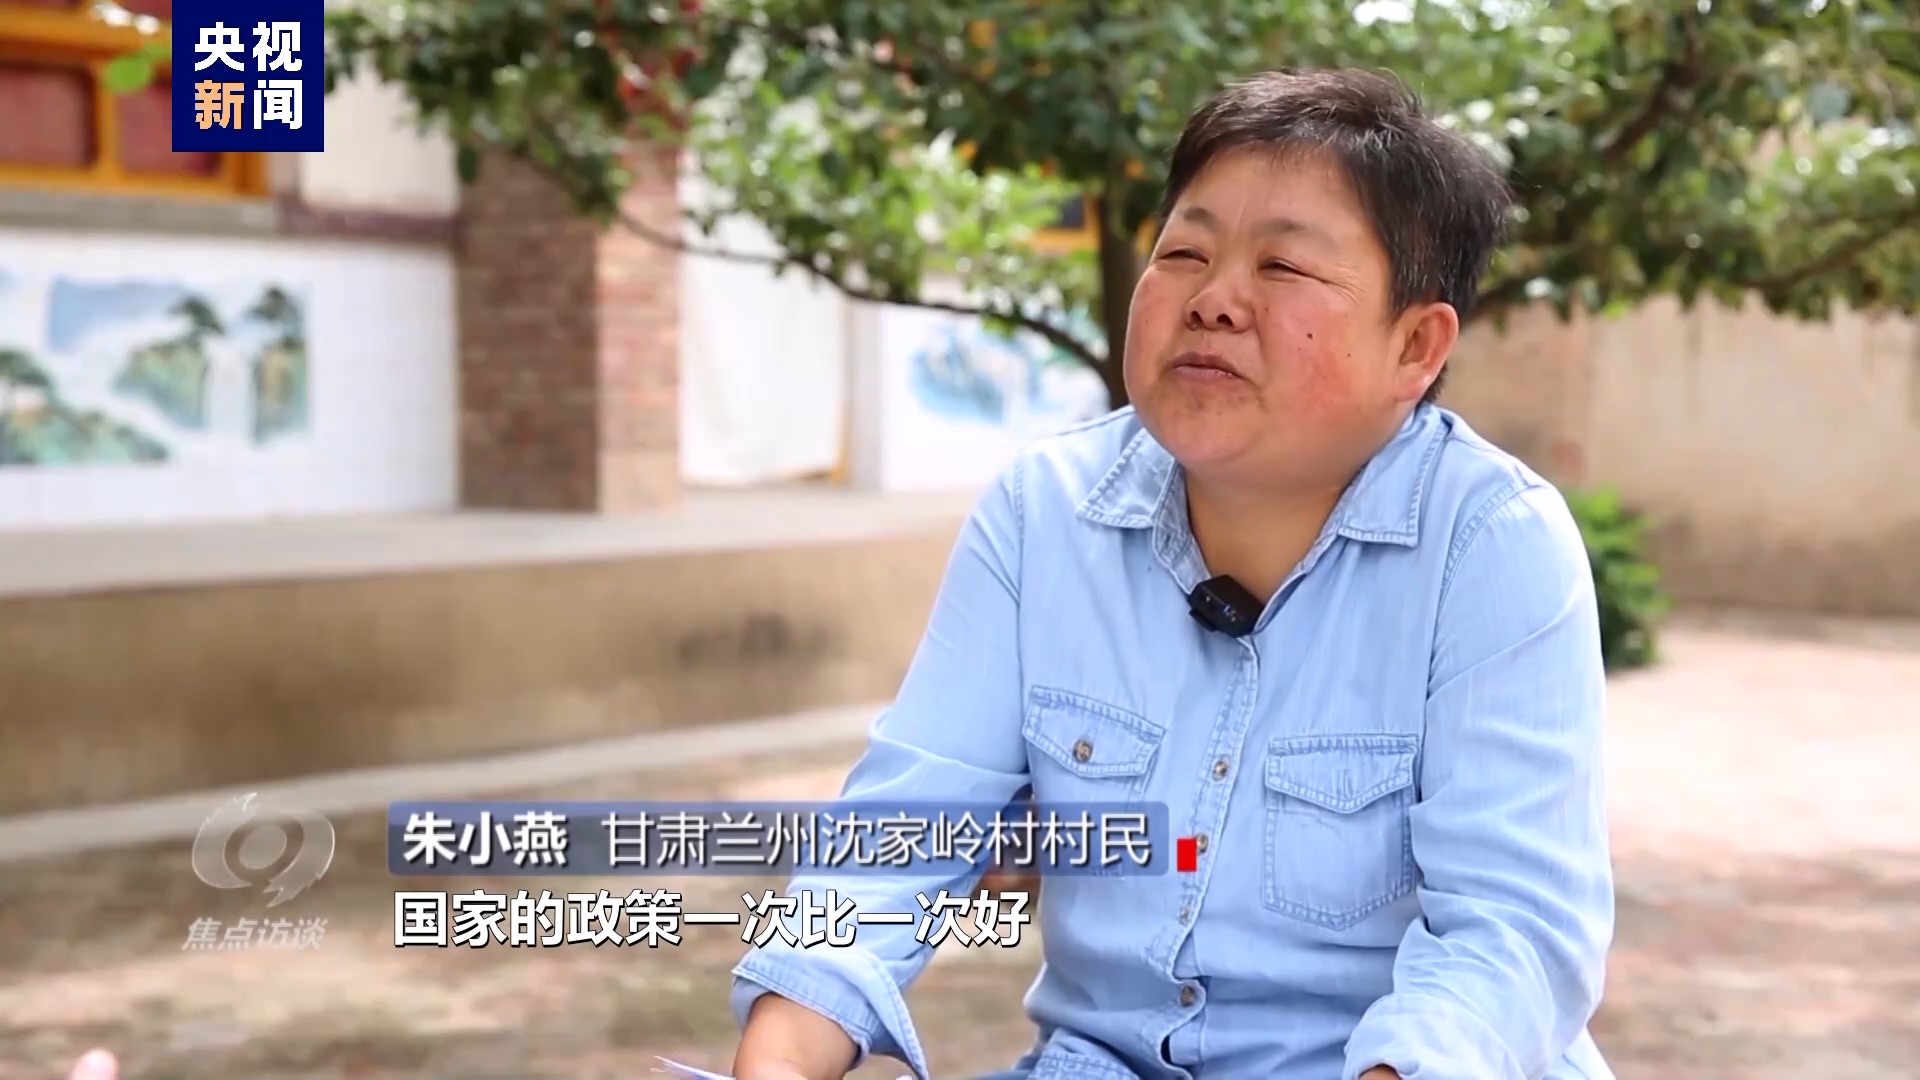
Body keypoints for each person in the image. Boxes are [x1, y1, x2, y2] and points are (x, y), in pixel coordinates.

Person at [730, 68, 1613, 1080]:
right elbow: (903, 829)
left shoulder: (1491, 545)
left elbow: (1509, 934)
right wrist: (780, 1058)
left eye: (1283, 267)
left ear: (1415, 344)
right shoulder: (1043, 510)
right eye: (1184, 253)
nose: (1213, 301)